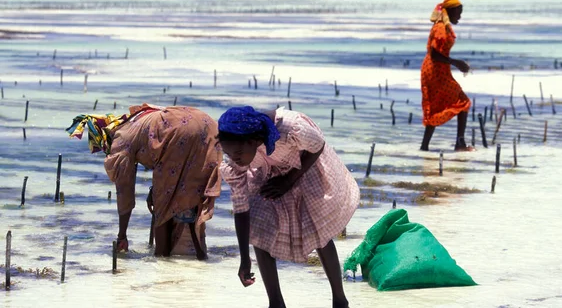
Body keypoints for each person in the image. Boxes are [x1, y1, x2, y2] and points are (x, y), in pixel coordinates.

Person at [218, 106, 359, 308]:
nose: (233, 159)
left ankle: (339, 300)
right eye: (228, 153)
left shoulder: (291, 128)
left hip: (306, 166)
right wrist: (244, 259)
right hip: (270, 173)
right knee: (258, 227)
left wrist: (289, 180)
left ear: (253, 141)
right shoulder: (237, 160)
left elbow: (318, 145)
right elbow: (240, 207)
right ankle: (276, 303)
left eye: (238, 153)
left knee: (318, 230)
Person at [66, 103, 222, 259]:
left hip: (177, 130)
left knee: (163, 207)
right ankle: (200, 256)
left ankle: (162, 259)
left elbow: (124, 191)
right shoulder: (137, 119)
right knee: (192, 199)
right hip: (207, 125)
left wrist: (122, 235)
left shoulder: (121, 138)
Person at [420, 0, 473, 151]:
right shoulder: (441, 28)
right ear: (450, 11)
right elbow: (436, 54)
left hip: (436, 70)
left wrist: (453, 63)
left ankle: (425, 146)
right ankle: (460, 143)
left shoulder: (442, 26)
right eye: (458, 13)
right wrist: (456, 63)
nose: (460, 17)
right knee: (463, 102)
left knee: (436, 105)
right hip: (435, 71)